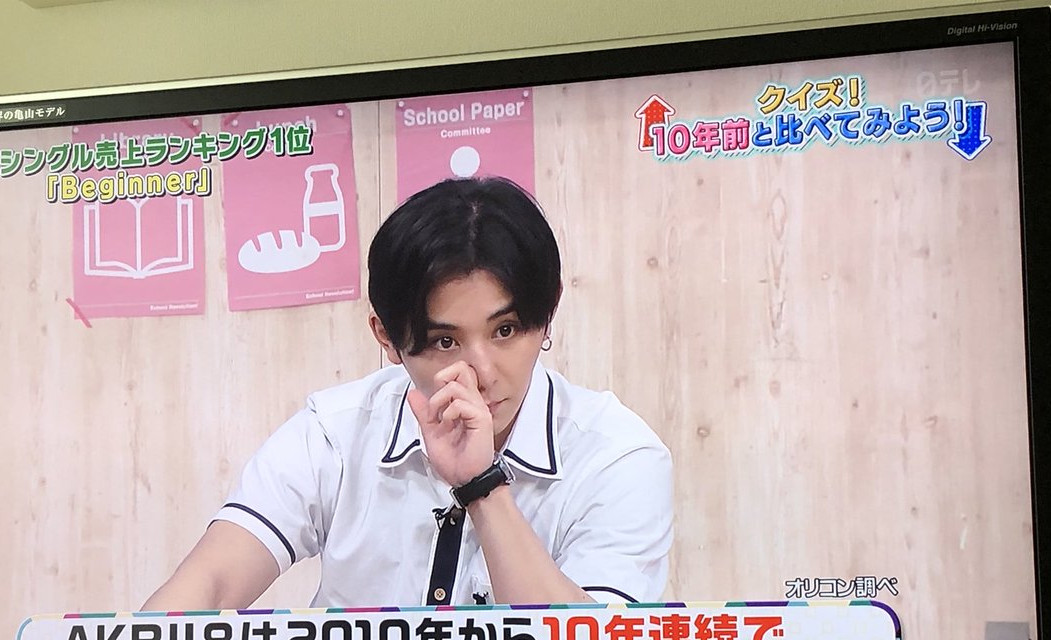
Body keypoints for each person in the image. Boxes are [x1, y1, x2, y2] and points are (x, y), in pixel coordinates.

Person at [142, 176, 674, 613]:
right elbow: (212, 581)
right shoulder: (336, 432)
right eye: (445, 341)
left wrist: (482, 487)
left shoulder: (617, 456)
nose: (482, 372)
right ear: (387, 338)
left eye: (506, 330)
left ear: (548, 310)